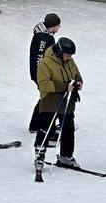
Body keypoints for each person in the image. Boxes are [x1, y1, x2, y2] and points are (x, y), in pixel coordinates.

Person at [34, 37, 83, 180]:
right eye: (67, 55)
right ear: (60, 51)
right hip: (50, 101)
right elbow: (43, 84)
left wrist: (78, 82)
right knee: (46, 128)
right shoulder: (46, 63)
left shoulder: (70, 62)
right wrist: (64, 86)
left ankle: (66, 156)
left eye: (71, 55)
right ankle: (39, 155)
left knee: (68, 128)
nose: (69, 58)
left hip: (67, 102)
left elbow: (77, 75)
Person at [28, 13, 61, 130]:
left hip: (37, 73)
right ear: (53, 26)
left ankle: (35, 125)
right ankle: (41, 125)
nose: (58, 28)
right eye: (58, 26)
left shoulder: (39, 34)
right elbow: (41, 58)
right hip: (42, 74)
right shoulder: (46, 38)